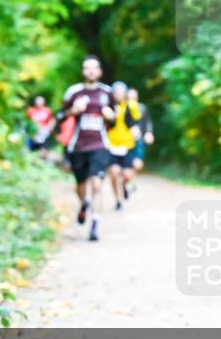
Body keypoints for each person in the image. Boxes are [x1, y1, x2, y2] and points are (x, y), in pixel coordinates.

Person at [61, 56, 115, 242]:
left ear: (99, 71)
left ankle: (95, 225)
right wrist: (73, 111)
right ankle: (84, 204)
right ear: (83, 71)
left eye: (94, 68)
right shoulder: (74, 92)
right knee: (81, 185)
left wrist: (111, 117)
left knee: (97, 184)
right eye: (87, 68)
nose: (91, 71)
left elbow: (115, 122)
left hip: (100, 145)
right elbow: (60, 116)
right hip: (78, 146)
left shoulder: (107, 93)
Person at [106, 81, 140, 209]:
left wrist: (137, 130)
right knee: (114, 173)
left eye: (121, 92)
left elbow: (137, 121)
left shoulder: (131, 106)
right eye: (116, 92)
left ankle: (125, 187)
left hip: (127, 145)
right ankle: (118, 200)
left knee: (127, 174)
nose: (119, 95)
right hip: (111, 145)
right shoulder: (107, 107)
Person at [128, 87, 154, 177]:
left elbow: (147, 122)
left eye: (134, 97)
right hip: (125, 141)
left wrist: (149, 132)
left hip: (138, 140)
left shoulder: (142, 108)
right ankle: (126, 181)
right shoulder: (122, 108)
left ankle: (130, 180)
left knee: (138, 164)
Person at [25, 95, 56, 160]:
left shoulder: (47, 111)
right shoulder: (31, 110)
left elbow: (52, 119)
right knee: (27, 149)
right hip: (33, 133)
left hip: (44, 132)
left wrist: (50, 128)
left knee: (43, 152)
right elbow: (27, 120)